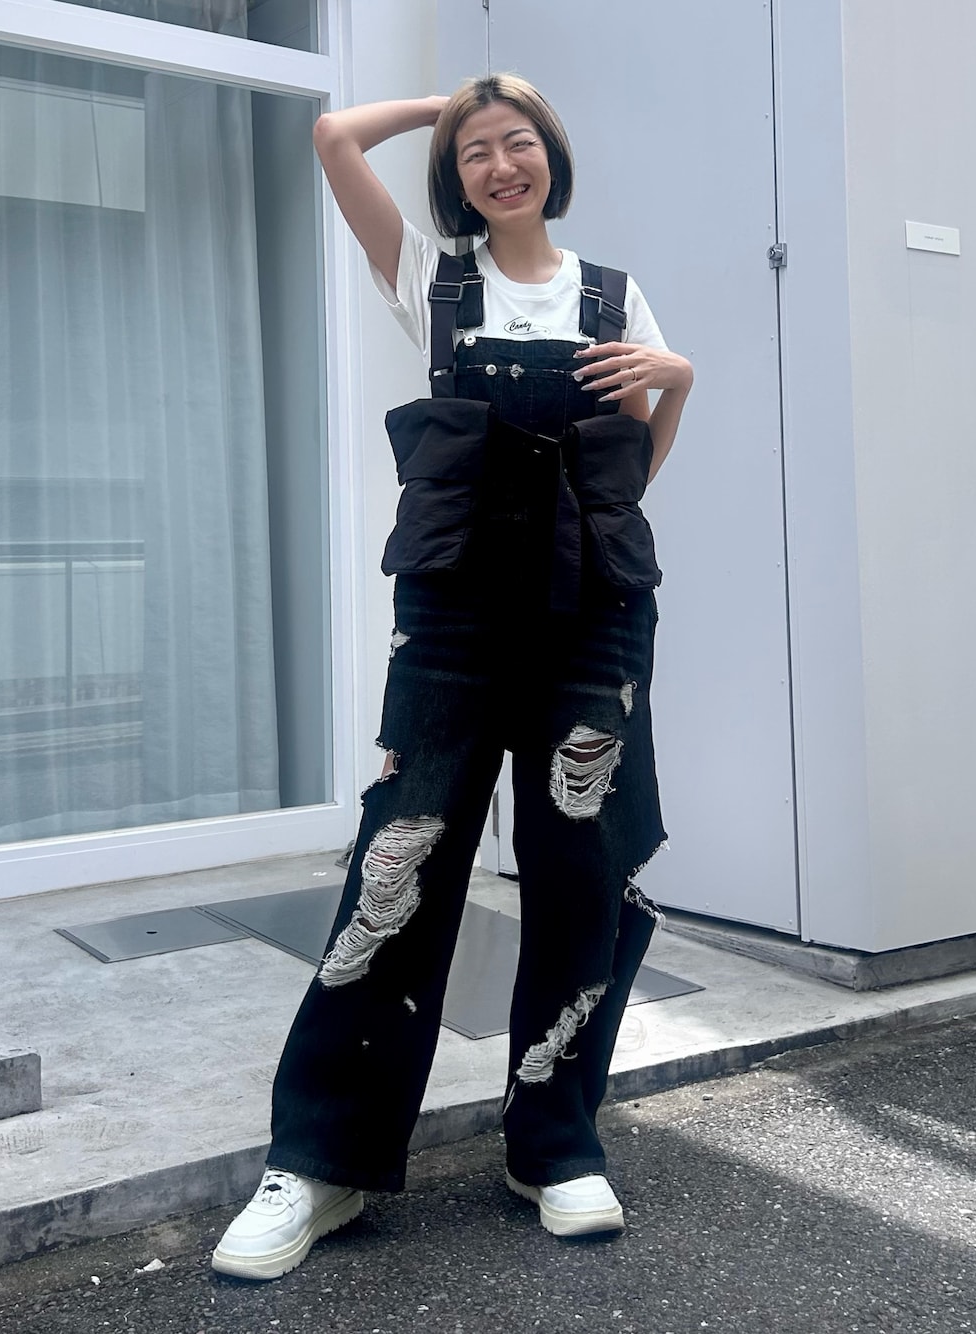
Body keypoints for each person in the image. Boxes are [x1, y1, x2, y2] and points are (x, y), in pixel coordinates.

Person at [212, 74, 693, 1281]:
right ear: (454, 175)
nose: (498, 163)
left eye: (517, 140)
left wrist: (676, 383)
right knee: (400, 864)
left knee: (580, 871)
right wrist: (456, 98)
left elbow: (625, 472)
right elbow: (333, 134)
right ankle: (319, 1160)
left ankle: (555, 1143)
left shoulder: (611, 294)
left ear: (551, 156)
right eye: (474, 150)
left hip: (592, 616)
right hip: (453, 618)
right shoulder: (433, 279)